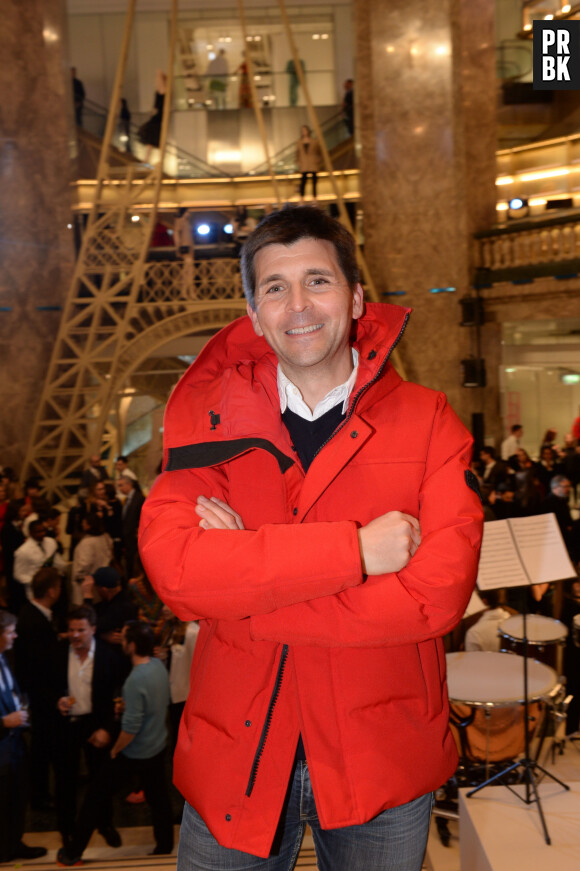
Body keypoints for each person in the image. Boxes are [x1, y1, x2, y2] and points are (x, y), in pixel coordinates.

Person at [139, 206, 483, 870]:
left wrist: (248, 589)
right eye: (275, 287)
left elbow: (434, 599)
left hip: (381, 763)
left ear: (356, 298)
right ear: (253, 311)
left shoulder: (428, 420)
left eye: (318, 281)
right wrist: (355, 552)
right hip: (234, 762)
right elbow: (179, 574)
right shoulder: (204, 419)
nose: (298, 304)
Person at [53, 605, 123, 854]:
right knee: (65, 780)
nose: (75, 635)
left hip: (97, 726)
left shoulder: (109, 656)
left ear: (93, 629)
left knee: (100, 780)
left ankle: (105, 825)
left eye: (80, 630)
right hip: (68, 725)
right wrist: (57, 700)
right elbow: (47, 686)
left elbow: (118, 697)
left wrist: (108, 729)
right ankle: (67, 829)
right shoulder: (58, 653)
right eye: (71, 630)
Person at [0, 610, 48, 862]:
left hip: (14, 745)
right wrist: (4, 722)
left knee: (15, 798)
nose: (15, 635)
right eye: (10, 631)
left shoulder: (4, 659)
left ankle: (12, 845)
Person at [13, 567, 62, 810]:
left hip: (39, 695)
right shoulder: (34, 621)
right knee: (42, 747)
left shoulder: (32, 613)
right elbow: (38, 665)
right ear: (52, 591)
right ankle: (40, 796)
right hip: (41, 697)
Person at [13, 519, 66, 601]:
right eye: (38, 532)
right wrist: (38, 581)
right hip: (36, 590)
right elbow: (18, 575)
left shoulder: (51, 542)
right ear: (31, 533)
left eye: (43, 531)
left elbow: (57, 560)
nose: (42, 534)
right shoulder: (23, 551)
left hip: (53, 585)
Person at [138, 69, 167, 165]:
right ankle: (147, 159)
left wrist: (159, 75)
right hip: (157, 116)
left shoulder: (164, 92)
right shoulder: (160, 92)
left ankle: (151, 159)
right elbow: (158, 85)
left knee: (154, 137)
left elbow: (160, 85)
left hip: (158, 117)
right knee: (151, 139)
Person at [118, 474, 145, 577]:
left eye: (121, 485)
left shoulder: (139, 498)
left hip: (135, 539)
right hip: (128, 540)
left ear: (129, 484)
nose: (119, 488)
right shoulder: (127, 500)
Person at [296, 126, 322, 202]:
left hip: (313, 164)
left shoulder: (314, 141)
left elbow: (319, 152)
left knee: (314, 182)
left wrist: (318, 160)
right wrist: (298, 162)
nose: (304, 132)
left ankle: (314, 197)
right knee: (303, 182)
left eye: (305, 130)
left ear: (308, 131)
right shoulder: (299, 142)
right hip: (304, 165)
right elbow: (297, 154)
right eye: (302, 130)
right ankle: (302, 197)